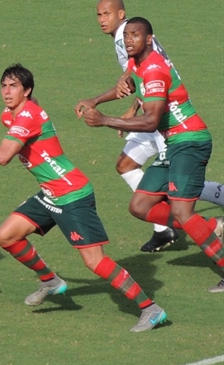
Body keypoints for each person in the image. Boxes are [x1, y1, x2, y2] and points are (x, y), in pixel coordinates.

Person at [0, 63, 166, 332]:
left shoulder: (27, 117)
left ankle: (150, 308)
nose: (7, 92)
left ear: (27, 90)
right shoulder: (12, 115)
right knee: (6, 235)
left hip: (72, 195)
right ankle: (51, 281)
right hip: (51, 194)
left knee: (95, 262)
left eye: (14, 86)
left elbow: (3, 156)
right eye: (4, 86)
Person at [76, 17, 224, 293]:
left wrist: (105, 119)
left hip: (189, 141)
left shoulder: (155, 70)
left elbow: (152, 121)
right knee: (141, 206)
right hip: (174, 144)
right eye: (127, 36)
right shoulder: (138, 61)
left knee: (181, 211)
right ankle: (211, 227)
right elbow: (128, 80)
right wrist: (95, 99)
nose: (129, 40)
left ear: (149, 39)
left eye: (135, 35)